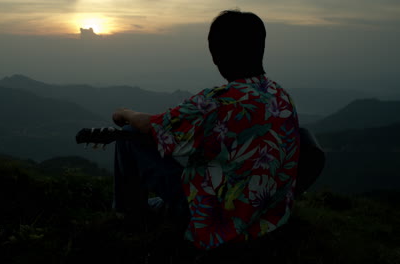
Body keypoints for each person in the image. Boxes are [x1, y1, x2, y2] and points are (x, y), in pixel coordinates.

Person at [111, 9, 300, 251]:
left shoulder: (217, 101)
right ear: (260, 49)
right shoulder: (280, 95)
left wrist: (124, 112)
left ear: (216, 55)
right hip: (269, 217)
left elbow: (152, 126)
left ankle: (130, 216)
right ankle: (159, 206)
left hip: (219, 220)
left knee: (129, 136)